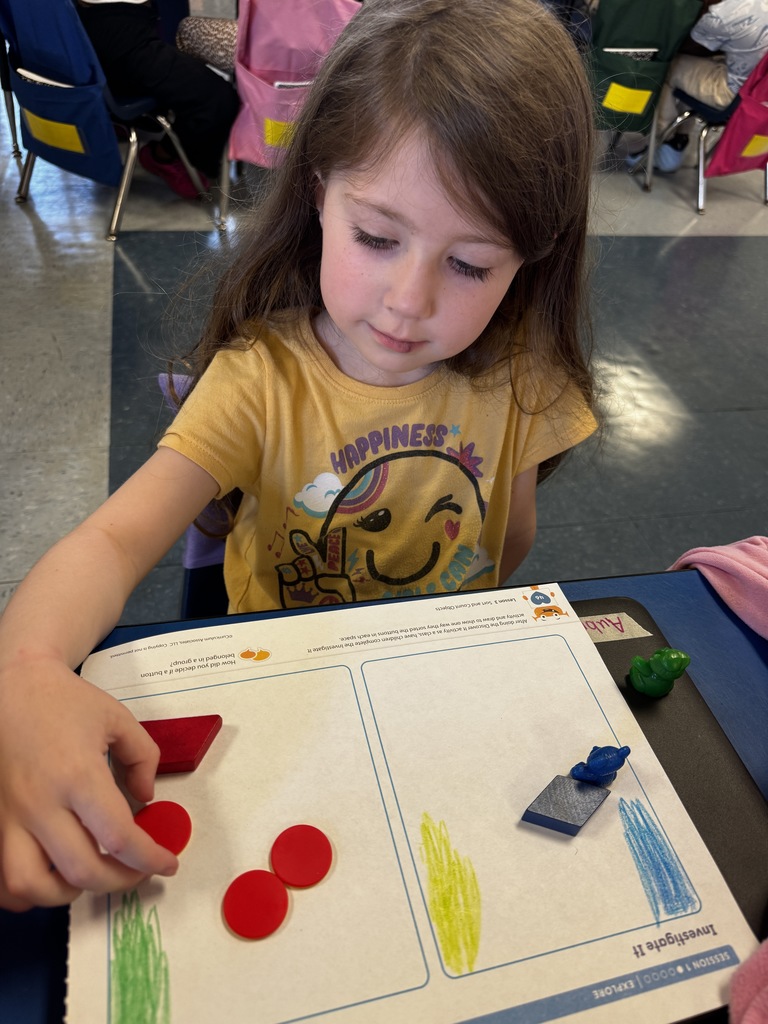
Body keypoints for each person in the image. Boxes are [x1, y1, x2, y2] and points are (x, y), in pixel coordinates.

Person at [0, 0, 599, 911]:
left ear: (534, 258)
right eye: (377, 237)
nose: (408, 301)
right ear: (319, 187)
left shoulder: (527, 373)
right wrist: (27, 668)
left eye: (471, 264)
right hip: (279, 708)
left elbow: (510, 535)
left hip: (434, 701)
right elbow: (116, 541)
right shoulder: (257, 380)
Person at [76, 0, 240, 197]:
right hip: (117, 34)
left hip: (100, 28)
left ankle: (142, 128)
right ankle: (165, 157)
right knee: (217, 98)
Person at [632, 0, 768, 172]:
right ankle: (679, 138)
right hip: (761, 100)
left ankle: (665, 140)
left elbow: (688, 47)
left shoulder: (727, 12)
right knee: (701, 65)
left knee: (669, 65)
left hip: (734, 95)